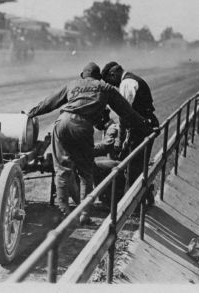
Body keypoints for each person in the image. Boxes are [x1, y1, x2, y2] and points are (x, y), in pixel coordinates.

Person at [27, 62, 153, 224]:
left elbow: (48, 103)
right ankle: (84, 215)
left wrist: (30, 114)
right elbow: (127, 113)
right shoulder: (105, 88)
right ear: (98, 76)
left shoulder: (72, 84)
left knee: (61, 169)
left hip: (62, 122)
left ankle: (63, 210)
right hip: (82, 126)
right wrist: (146, 128)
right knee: (85, 172)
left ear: (83, 75)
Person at [101, 62, 158, 204]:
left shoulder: (126, 83)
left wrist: (121, 140)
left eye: (110, 81)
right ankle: (144, 198)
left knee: (133, 169)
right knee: (138, 166)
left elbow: (124, 114)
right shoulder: (133, 79)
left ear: (113, 74)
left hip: (140, 129)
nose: (112, 85)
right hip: (147, 125)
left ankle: (133, 205)